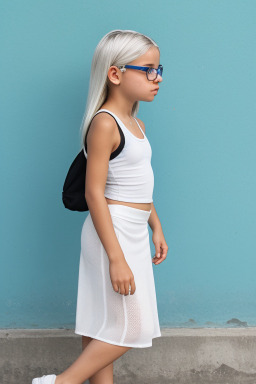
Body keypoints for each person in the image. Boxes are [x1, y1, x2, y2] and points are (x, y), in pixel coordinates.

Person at [32, 29, 168, 384]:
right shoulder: (105, 124)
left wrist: (156, 224)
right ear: (115, 73)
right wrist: (116, 258)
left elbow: (138, 181)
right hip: (113, 231)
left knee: (99, 326)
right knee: (131, 325)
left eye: (159, 69)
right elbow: (95, 193)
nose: (157, 78)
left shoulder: (136, 123)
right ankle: (60, 383)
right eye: (148, 69)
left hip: (134, 227)